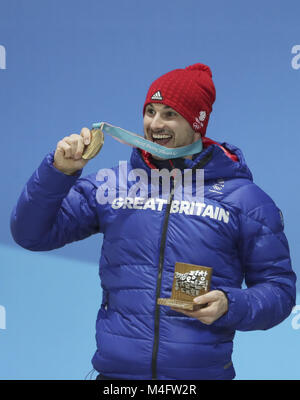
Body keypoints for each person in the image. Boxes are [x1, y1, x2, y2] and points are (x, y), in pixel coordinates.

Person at [10, 63, 296, 380]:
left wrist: (231, 304)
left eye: (170, 113)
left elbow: (279, 292)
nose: (155, 123)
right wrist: (58, 172)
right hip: (117, 379)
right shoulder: (112, 186)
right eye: (150, 111)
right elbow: (30, 234)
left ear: (196, 121)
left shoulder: (244, 199)